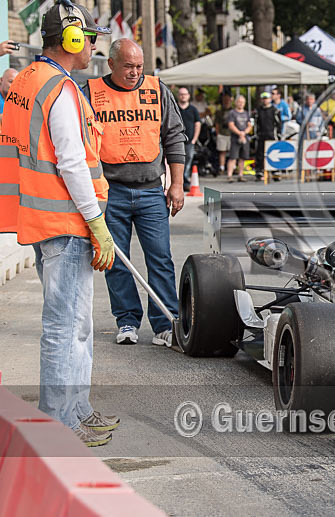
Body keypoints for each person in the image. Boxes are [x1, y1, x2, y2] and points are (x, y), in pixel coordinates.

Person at [1, 1, 117, 446]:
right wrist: (96, 221)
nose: (92, 46)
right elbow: (71, 161)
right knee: (64, 327)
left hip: (46, 219)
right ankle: (58, 423)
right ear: (71, 40)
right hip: (65, 222)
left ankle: (77, 410)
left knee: (78, 324)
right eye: (89, 38)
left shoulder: (29, 79)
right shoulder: (60, 88)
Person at [84, 38, 185, 348]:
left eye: (139, 66)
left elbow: (174, 137)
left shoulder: (157, 90)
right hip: (110, 192)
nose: (134, 72)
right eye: (128, 66)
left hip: (151, 190)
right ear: (111, 64)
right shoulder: (91, 93)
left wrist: (177, 184)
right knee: (115, 260)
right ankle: (127, 320)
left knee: (161, 259)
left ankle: (166, 321)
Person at [176, 87, 200, 190]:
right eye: (181, 94)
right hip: (176, 140)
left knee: (188, 160)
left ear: (189, 96)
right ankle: (178, 181)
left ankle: (185, 180)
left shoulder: (193, 109)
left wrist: (195, 139)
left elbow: (197, 124)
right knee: (177, 160)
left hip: (190, 140)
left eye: (185, 94)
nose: (183, 96)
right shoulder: (174, 108)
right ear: (178, 95)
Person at [254, 91, 281, 180]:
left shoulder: (275, 110)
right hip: (261, 135)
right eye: (264, 99)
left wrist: (279, 135)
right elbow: (255, 123)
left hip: (271, 135)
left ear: (270, 99)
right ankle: (259, 171)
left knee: (273, 153)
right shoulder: (258, 110)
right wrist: (255, 134)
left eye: (267, 98)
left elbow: (278, 124)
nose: (265, 100)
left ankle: (275, 172)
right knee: (260, 153)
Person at [226, 94, 252, 183]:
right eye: (239, 102)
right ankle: (229, 175)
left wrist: (244, 133)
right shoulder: (232, 113)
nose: (241, 104)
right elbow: (231, 125)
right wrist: (239, 133)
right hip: (235, 138)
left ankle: (241, 175)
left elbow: (249, 125)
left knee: (243, 157)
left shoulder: (246, 113)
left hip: (245, 137)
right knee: (233, 157)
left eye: (242, 102)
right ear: (236, 103)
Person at [213, 93, 232, 174]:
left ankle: (232, 167)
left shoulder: (233, 111)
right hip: (222, 133)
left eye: (228, 100)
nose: (226, 102)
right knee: (222, 152)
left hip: (232, 134)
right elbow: (216, 123)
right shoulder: (219, 112)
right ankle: (222, 167)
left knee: (232, 152)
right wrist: (218, 134)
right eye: (225, 100)